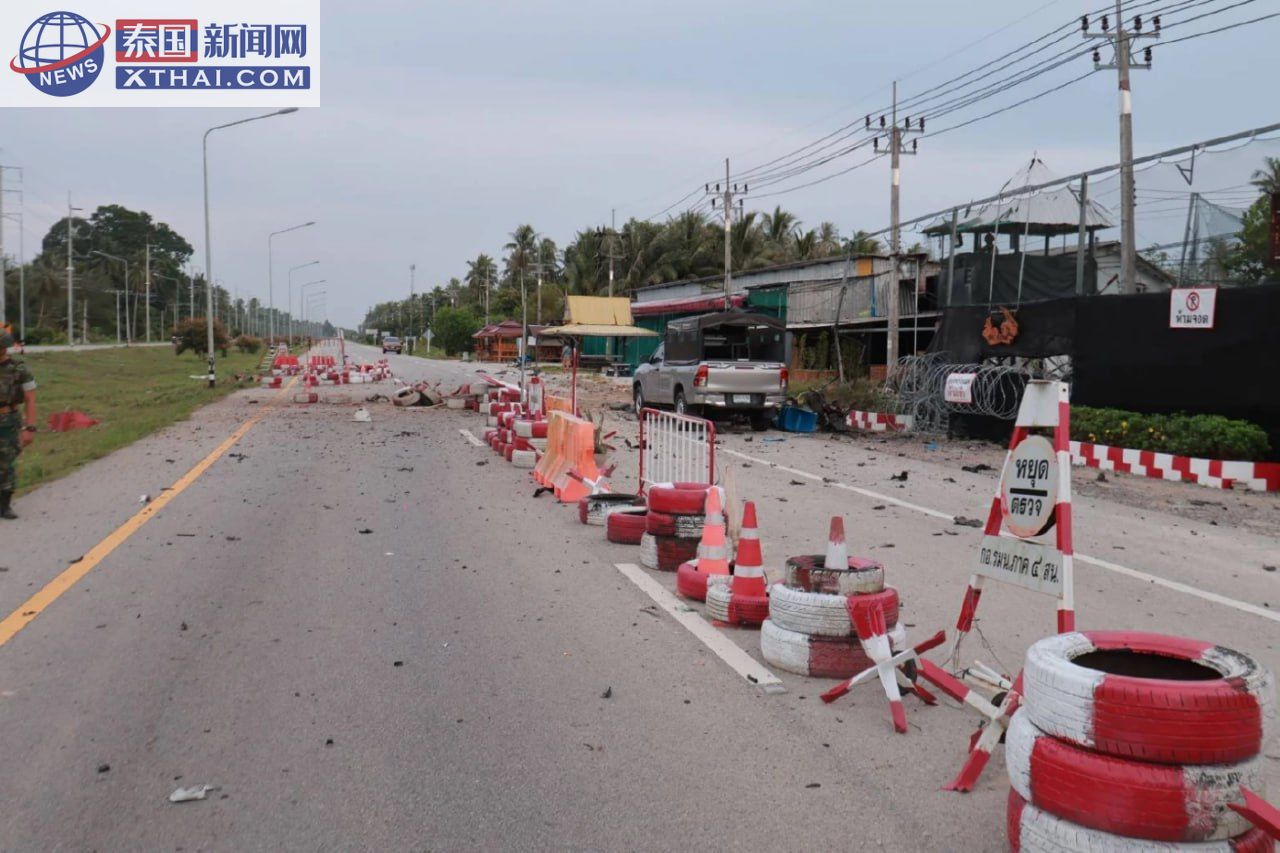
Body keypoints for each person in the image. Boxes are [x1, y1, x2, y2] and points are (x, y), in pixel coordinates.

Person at [0, 329, 37, 519]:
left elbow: (30, 399)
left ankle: (4, 504)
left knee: (6, 463)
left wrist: (30, 427)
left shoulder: (19, 370)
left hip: (8, 421)